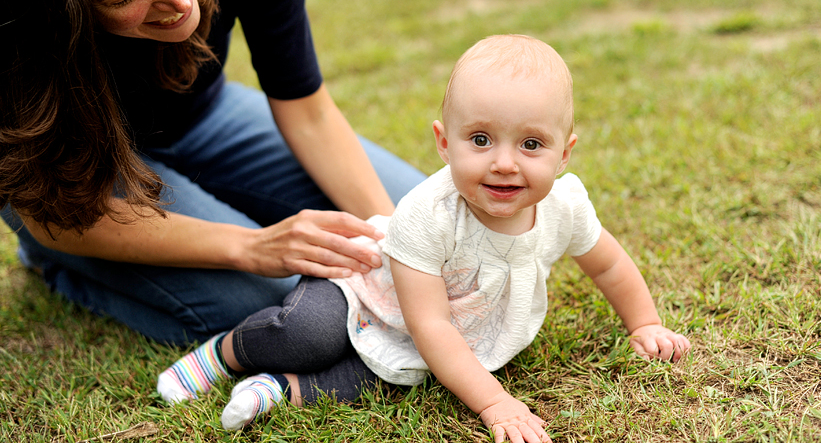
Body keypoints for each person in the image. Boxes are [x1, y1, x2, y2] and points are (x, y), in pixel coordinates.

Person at [0, 0, 425, 345]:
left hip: (205, 120)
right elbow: (53, 206)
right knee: (269, 301)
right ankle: (57, 264)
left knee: (419, 223)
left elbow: (308, 114)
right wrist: (252, 246)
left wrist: (394, 247)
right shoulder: (8, 25)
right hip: (74, 180)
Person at [157, 35, 692, 442]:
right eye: (480, 139)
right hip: (368, 291)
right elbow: (428, 323)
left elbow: (610, 266)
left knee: (391, 377)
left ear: (565, 154)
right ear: (444, 142)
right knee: (310, 333)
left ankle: (278, 391)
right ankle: (225, 355)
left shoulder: (565, 204)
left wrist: (644, 323)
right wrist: (495, 404)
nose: (504, 163)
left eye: (531, 144)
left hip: (437, 333)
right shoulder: (427, 215)